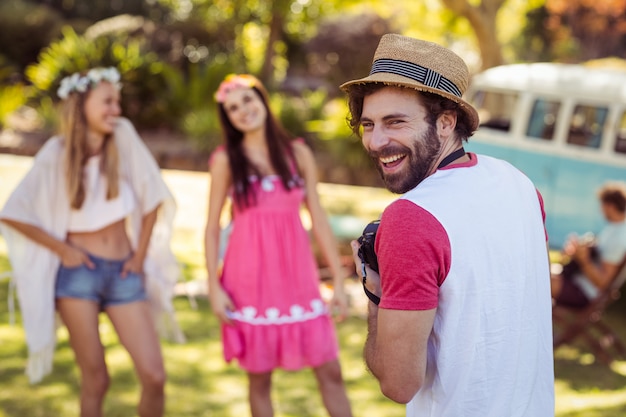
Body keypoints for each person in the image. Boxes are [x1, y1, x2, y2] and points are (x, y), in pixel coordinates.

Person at [341, 34, 555, 416]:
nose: (376, 141)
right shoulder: (519, 185)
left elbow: (398, 382)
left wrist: (375, 290)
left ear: (445, 122)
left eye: (395, 122)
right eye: (368, 124)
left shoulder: (411, 217)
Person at [0, 67, 184, 417]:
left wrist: (139, 256)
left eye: (118, 102)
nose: (116, 110)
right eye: (108, 102)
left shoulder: (123, 138)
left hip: (124, 272)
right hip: (78, 276)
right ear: (81, 104)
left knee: (154, 375)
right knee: (96, 380)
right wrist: (63, 250)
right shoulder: (57, 153)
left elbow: (153, 196)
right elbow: (12, 211)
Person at [204, 74, 353, 417]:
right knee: (259, 380)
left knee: (330, 371)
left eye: (248, 101)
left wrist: (339, 281)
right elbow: (212, 227)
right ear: (227, 118)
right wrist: (213, 284)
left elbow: (318, 218)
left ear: (263, 101)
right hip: (249, 280)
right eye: (232, 108)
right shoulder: (226, 160)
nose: (243, 111)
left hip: (298, 277)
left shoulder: (298, 153)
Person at [551, 181, 626, 307]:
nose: (600, 210)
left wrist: (584, 260)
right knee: (541, 275)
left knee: (540, 281)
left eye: (602, 206)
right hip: (578, 281)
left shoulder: (619, 238)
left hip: (586, 293)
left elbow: (603, 283)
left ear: (610, 206)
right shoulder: (614, 228)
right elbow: (598, 253)